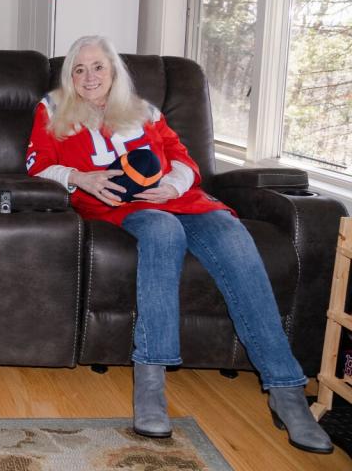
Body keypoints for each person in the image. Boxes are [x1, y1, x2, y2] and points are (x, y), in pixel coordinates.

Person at [25, 35, 332, 454]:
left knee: (234, 238)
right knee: (162, 231)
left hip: (181, 198)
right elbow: (36, 164)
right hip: (116, 205)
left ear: (114, 70)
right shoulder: (54, 109)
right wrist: (81, 178)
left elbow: (184, 158)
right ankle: (150, 383)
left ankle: (287, 391)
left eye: (98, 66)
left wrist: (172, 184)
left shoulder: (144, 111)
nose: (89, 76)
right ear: (69, 78)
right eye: (79, 69)